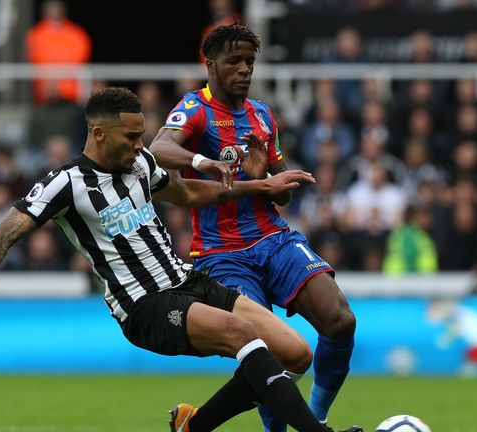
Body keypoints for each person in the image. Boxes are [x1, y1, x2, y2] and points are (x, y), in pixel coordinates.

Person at [0, 88, 361, 432]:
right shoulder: (65, 182)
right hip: (144, 305)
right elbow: (2, 233)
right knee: (243, 333)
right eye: (132, 136)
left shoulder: (140, 164)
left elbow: (187, 193)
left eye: (142, 135)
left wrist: (258, 185)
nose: (141, 144)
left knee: (296, 353)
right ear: (99, 133)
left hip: (187, 281)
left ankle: (196, 425)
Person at [149, 24, 359, 432]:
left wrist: (264, 175)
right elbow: (159, 147)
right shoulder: (196, 108)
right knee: (267, 349)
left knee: (340, 321)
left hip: (274, 239)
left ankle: (315, 416)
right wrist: (202, 162)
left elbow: (282, 195)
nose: (245, 70)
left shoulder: (261, 114)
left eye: (249, 62)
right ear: (210, 66)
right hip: (222, 254)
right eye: (234, 62)